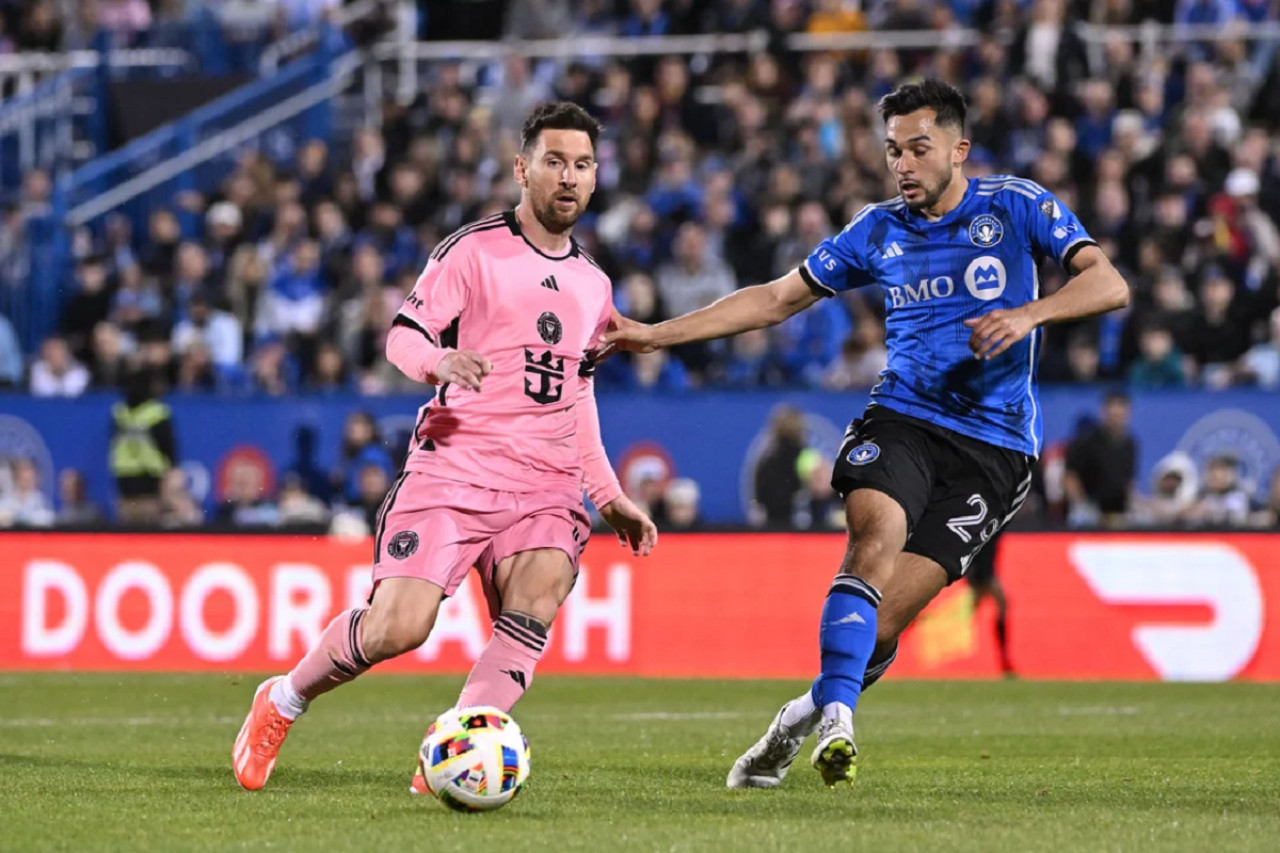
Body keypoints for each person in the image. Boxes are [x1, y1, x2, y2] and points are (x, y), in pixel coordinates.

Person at [605, 79, 1129, 788]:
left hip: (996, 452)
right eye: (893, 151)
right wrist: (654, 335)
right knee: (871, 539)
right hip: (904, 418)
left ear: (958, 148)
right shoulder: (877, 229)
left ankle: (797, 718)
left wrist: (1030, 314)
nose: (904, 164)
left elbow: (1109, 284)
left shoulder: (1016, 205)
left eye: (919, 148)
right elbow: (774, 299)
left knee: (880, 631)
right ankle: (839, 725)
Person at [233, 102, 658, 793]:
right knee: (400, 627)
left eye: (582, 164)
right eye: (554, 161)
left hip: (544, 482)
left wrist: (607, 495)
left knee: (541, 587)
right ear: (523, 169)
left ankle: (453, 754)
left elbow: (578, 396)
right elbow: (403, 334)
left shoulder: (594, 285)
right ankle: (282, 698)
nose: (569, 177)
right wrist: (439, 363)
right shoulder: (474, 250)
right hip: (457, 464)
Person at [963, 528, 1013, 677]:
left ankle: (1002, 655)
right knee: (1000, 604)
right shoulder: (983, 528)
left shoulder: (994, 525)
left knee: (999, 605)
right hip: (981, 575)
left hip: (983, 573)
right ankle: (1001, 654)